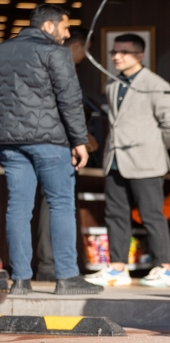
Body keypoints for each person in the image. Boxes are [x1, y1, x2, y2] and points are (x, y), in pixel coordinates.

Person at [0, 4, 103, 295]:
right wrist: (79, 141)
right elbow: (70, 99)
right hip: (49, 141)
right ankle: (67, 277)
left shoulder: (2, 51)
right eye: (65, 27)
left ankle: (20, 280)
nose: (67, 33)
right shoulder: (55, 53)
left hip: (10, 143)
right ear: (48, 26)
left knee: (18, 209)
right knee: (61, 205)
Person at [84, 34, 170, 288]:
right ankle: (117, 268)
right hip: (115, 159)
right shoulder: (112, 83)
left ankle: (165, 268)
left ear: (139, 55)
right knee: (115, 214)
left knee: (152, 214)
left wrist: (153, 146)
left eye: (124, 52)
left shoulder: (155, 83)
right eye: (114, 52)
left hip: (146, 161)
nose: (117, 56)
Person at [36, 26, 98, 282]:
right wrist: (79, 140)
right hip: (57, 146)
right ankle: (57, 269)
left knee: (28, 207)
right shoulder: (61, 69)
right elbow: (66, 108)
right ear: (77, 47)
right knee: (56, 205)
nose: (86, 57)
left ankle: (38, 269)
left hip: (31, 143)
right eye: (87, 51)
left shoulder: (35, 63)